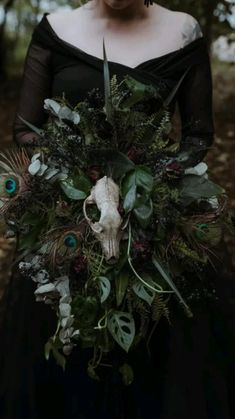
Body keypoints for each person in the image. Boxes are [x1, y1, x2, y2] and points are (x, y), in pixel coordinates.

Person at [1, 1, 235, 418]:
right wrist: (79, 174)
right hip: (68, 220)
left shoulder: (184, 32)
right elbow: (25, 128)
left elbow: (197, 135)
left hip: (155, 226)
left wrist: (145, 186)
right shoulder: (55, 29)